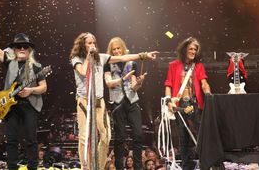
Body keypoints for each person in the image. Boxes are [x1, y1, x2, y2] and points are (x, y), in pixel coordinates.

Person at [69, 32, 157, 170]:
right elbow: (83, 71)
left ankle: (99, 165)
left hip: (99, 101)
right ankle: (85, 166)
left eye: (94, 43)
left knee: (106, 135)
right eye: (89, 43)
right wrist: (88, 56)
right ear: (82, 45)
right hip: (84, 101)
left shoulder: (101, 58)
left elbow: (123, 57)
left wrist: (143, 55)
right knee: (84, 136)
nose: (92, 45)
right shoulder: (76, 59)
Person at [0, 11, 47, 170]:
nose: (21, 48)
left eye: (24, 46)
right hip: (10, 106)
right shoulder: (9, 60)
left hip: (29, 105)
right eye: (18, 46)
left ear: (29, 50)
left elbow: (43, 87)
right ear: (14, 49)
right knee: (11, 140)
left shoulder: (36, 66)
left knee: (31, 140)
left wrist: (31, 90)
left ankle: (32, 168)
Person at [164, 37, 211, 170]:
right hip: (179, 106)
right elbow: (168, 84)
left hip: (195, 104)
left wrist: (208, 94)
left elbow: (204, 82)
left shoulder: (199, 66)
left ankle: (205, 164)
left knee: (201, 136)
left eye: (195, 49)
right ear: (184, 49)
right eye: (190, 48)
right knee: (183, 138)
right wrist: (168, 101)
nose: (193, 51)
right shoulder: (173, 65)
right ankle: (186, 167)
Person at [104, 37, 147, 170]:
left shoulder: (132, 63)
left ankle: (138, 167)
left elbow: (134, 86)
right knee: (120, 137)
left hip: (132, 100)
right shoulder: (108, 63)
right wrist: (123, 79)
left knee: (138, 135)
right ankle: (119, 167)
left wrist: (139, 82)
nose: (116, 51)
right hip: (117, 102)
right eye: (114, 49)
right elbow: (108, 83)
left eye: (118, 48)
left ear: (123, 48)